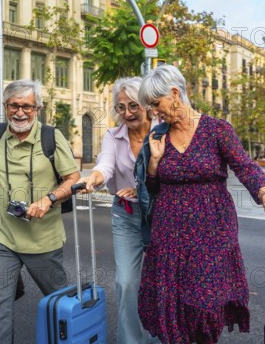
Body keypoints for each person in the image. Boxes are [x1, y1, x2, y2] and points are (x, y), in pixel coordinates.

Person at [136, 65, 265, 344]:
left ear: (175, 94)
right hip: (169, 235)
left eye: (156, 104)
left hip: (212, 232)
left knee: (206, 305)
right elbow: (153, 188)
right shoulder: (157, 137)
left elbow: (246, 167)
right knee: (174, 308)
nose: (154, 112)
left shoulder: (217, 130)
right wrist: (154, 162)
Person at [0, 80, 80, 344]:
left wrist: (49, 199)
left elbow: (73, 178)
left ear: (37, 108)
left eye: (27, 106)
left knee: (60, 302)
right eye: (14, 105)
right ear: (5, 106)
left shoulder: (51, 137)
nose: (20, 112)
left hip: (43, 240)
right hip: (4, 238)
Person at [77, 77, 159, 344]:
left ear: (146, 104)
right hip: (126, 215)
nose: (127, 113)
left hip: (161, 216)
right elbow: (106, 166)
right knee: (126, 283)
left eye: (133, 106)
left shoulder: (163, 132)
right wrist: (93, 178)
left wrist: (143, 189)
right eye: (121, 107)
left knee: (164, 284)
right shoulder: (113, 135)